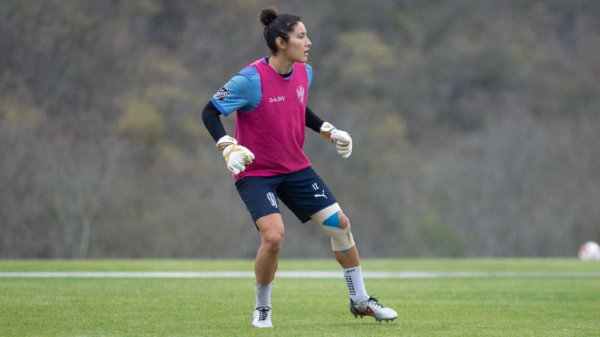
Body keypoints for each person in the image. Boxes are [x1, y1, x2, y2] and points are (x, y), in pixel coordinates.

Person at [202, 6, 398, 328]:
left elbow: (298, 107)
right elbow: (209, 112)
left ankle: (360, 301)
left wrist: (329, 131)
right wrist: (227, 146)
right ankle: (262, 308)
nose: (309, 42)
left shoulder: (304, 72)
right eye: (301, 36)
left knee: (340, 225)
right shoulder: (250, 79)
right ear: (281, 42)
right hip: (257, 173)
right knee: (274, 238)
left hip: (295, 168)